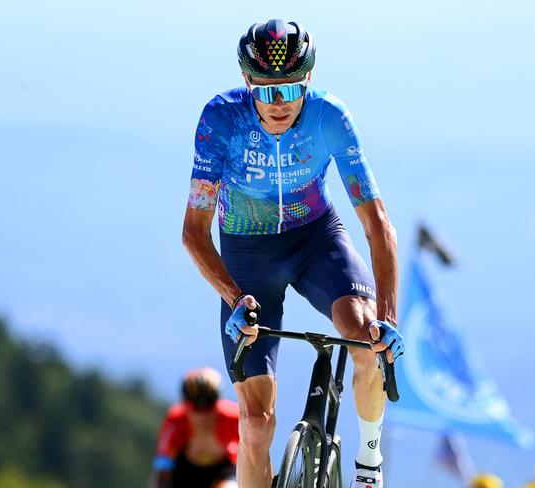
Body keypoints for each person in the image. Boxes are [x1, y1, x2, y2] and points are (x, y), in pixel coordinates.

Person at [182, 19, 405, 488]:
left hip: (316, 239)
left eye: (289, 89)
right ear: (247, 82)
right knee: (256, 423)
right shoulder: (220, 120)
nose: (278, 104)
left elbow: (378, 225)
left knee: (366, 337)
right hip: (247, 256)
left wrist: (388, 318)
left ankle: (369, 463)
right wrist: (232, 297)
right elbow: (194, 234)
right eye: (265, 92)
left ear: (308, 80)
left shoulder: (330, 117)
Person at [153, 368, 239, 488]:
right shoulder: (175, 421)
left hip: (224, 471)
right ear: (185, 404)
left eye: (209, 404)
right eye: (195, 406)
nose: (202, 414)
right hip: (185, 473)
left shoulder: (234, 417)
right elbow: (163, 467)